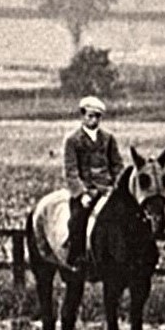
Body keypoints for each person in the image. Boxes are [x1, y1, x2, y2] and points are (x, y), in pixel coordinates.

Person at [63, 96, 122, 272]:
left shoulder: (108, 138)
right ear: (83, 116)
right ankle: (77, 257)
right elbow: (71, 171)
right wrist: (82, 193)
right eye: (90, 116)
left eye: (97, 116)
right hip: (87, 191)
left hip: (107, 190)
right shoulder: (73, 140)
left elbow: (117, 165)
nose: (94, 120)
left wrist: (116, 185)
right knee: (77, 220)